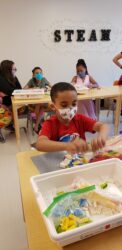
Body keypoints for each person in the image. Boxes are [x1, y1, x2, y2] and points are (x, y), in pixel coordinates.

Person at [36, 82, 108, 154]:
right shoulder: (50, 123)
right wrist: (67, 146)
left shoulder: (80, 119)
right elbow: (40, 144)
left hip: (79, 160)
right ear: (53, 106)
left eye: (74, 104)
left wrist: (101, 137)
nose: (70, 108)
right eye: (64, 105)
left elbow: (102, 126)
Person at [24, 67, 52, 133]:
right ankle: (38, 123)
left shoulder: (44, 79)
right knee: (39, 105)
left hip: (43, 101)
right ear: (33, 75)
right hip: (34, 102)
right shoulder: (31, 80)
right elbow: (24, 89)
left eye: (40, 73)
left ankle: (36, 124)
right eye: (37, 73)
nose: (39, 74)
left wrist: (47, 89)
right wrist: (32, 88)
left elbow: (52, 87)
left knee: (40, 104)